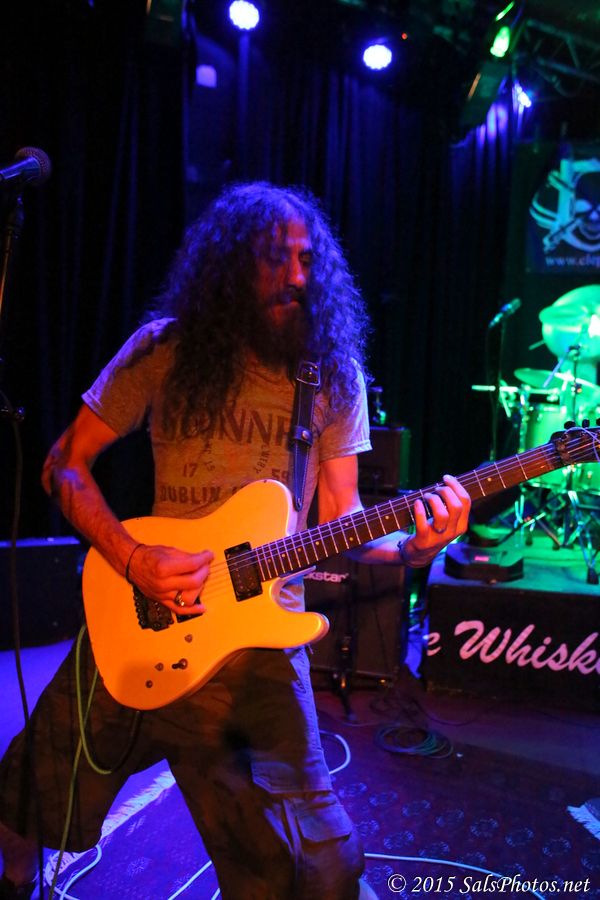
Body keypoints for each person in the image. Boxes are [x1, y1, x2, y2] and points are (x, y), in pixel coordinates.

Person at [0, 182, 470, 899]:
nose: (296, 276)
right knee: (22, 806)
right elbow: (63, 464)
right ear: (229, 263)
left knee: (323, 868)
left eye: (307, 260)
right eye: (276, 258)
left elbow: (344, 521)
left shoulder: (331, 374)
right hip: (139, 624)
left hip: (259, 657)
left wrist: (419, 548)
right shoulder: (163, 349)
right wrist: (133, 558)